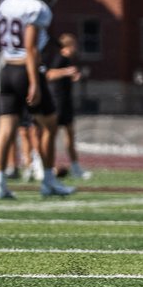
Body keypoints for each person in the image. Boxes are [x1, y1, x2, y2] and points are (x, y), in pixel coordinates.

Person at [0, 0, 74, 201]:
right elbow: (31, 47)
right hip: (26, 70)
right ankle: (48, 180)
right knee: (49, 125)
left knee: (5, 129)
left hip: (6, 70)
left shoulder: (6, 3)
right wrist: (35, 81)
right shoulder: (37, 8)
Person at [48, 33, 91, 180]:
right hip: (57, 101)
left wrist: (72, 76)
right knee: (51, 136)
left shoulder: (68, 60)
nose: (76, 48)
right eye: (74, 45)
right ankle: (45, 165)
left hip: (66, 101)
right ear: (68, 46)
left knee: (70, 135)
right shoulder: (60, 58)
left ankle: (75, 167)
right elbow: (49, 74)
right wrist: (66, 72)